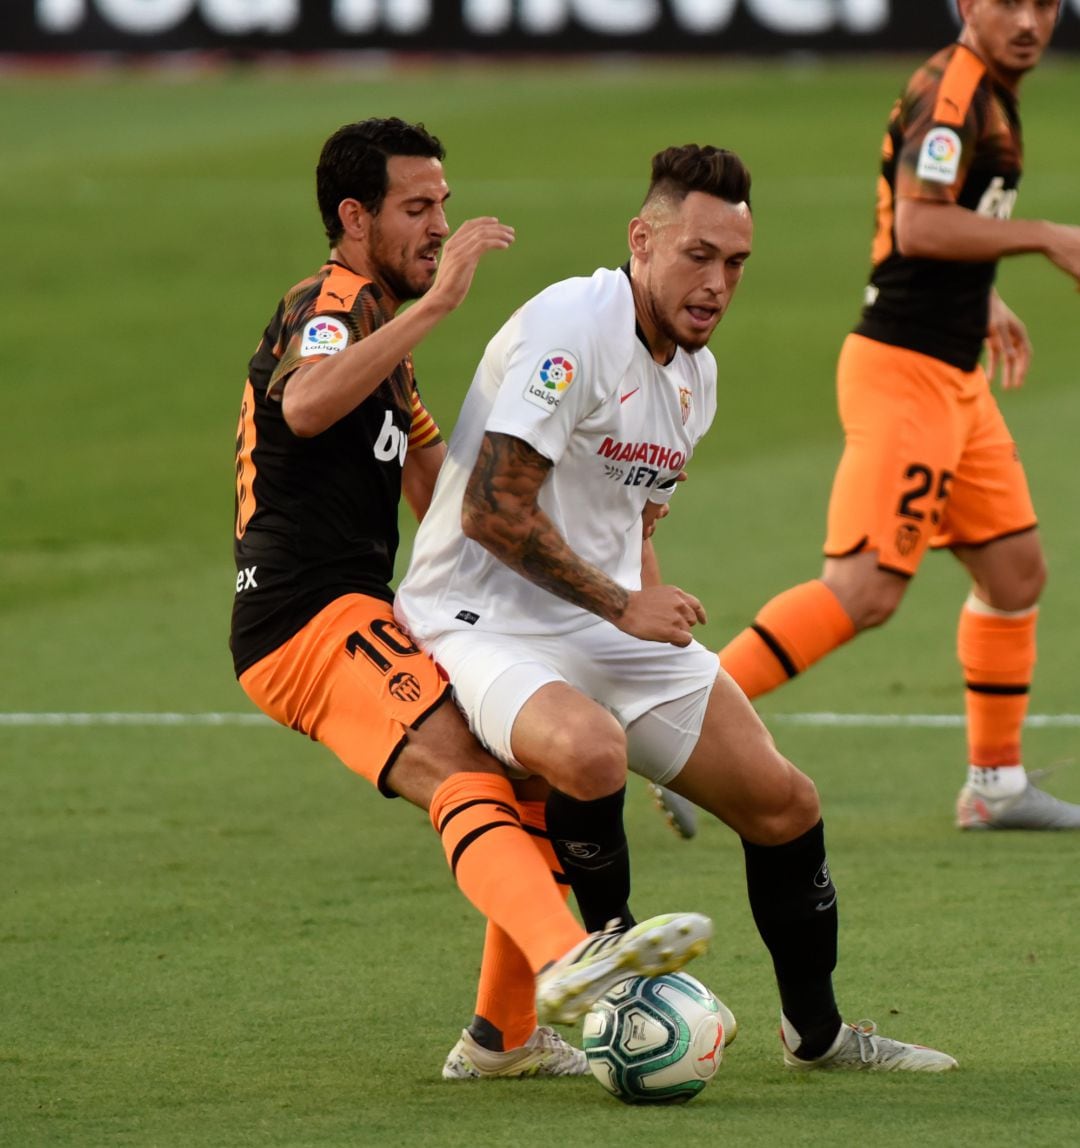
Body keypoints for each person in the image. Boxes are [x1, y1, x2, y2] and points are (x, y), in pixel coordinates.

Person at [397, 143, 957, 1072]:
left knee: (784, 803)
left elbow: (627, 513)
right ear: (641, 240)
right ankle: (615, 988)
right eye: (697, 255)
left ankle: (817, 1037)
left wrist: (639, 594)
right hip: (478, 620)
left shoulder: (694, 380)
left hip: (600, 623)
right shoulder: (574, 325)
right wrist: (622, 605)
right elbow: (495, 512)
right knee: (587, 749)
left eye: (734, 264)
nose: (716, 284)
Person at [228, 116, 712, 1081]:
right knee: (461, 769)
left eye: (443, 204)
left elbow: (439, 489)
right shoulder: (332, 304)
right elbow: (305, 403)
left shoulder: (386, 344)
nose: (440, 225)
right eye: (418, 207)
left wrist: (587, 624)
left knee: (529, 765)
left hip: (371, 606)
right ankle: (566, 956)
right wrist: (442, 304)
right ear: (355, 218)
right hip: (303, 616)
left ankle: (503, 1040)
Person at [717, 0, 1080, 830]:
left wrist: (982, 298)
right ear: (965, 6)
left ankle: (995, 787)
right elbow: (918, 224)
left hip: (954, 372)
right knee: (864, 590)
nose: (1028, 20)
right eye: (1008, 2)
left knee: (1015, 572)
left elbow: (938, 218)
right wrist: (1048, 237)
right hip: (904, 373)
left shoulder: (991, 86)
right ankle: (682, 722)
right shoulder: (951, 91)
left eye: (1044, 4)